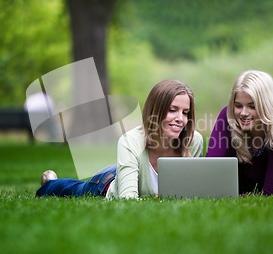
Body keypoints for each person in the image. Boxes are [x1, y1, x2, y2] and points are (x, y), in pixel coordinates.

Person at [36, 80, 204, 199]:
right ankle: (51, 182)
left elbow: (191, 190)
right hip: (108, 182)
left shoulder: (194, 141)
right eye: (173, 110)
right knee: (77, 190)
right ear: (155, 111)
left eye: (185, 112)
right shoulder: (130, 141)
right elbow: (128, 200)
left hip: (129, 168)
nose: (180, 118)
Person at [206, 70, 273, 195]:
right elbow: (211, 169)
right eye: (238, 105)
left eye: (252, 106)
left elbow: (271, 194)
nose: (244, 113)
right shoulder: (227, 117)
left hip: (267, 184)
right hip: (240, 187)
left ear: (266, 106)